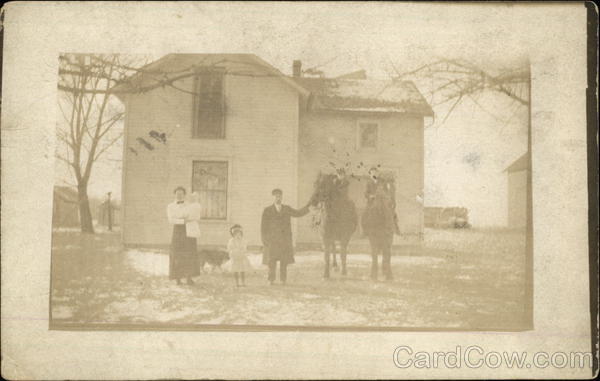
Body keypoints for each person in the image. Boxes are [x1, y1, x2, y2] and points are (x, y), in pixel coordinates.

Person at [261, 188, 311, 285]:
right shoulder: (267, 210)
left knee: (284, 261)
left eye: (280, 196)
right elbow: (263, 227)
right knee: (272, 261)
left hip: (284, 240)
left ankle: (283, 280)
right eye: (276, 196)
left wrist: (308, 207)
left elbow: (298, 213)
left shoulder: (287, 209)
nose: (278, 198)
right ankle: (271, 279)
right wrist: (264, 239)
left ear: (282, 197)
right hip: (272, 240)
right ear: (273, 197)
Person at [166, 186, 200, 285]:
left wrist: (188, 218)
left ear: (184, 195)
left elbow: (195, 216)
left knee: (189, 253)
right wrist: (182, 220)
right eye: (177, 193)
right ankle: (178, 278)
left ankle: (189, 277)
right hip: (178, 231)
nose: (179, 195)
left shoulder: (189, 205)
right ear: (175, 194)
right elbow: (171, 220)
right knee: (177, 254)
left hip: (189, 230)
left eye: (181, 193)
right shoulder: (170, 206)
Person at [365, 167, 400, 234]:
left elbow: (387, 191)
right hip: (372, 201)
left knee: (389, 211)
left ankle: (395, 228)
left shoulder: (383, 181)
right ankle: (366, 231)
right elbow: (366, 193)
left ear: (378, 174)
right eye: (372, 173)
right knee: (366, 212)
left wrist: (385, 195)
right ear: (370, 174)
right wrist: (370, 196)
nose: (374, 174)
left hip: (382, 199)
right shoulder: (368, 183)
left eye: (375, 173)